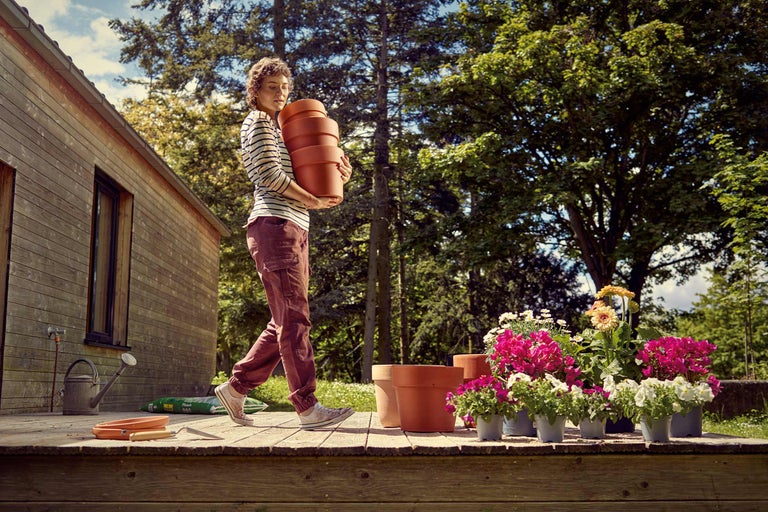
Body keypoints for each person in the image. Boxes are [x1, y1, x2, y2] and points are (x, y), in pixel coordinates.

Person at [215, 57, 354, 430]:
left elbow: (308, 173)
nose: (281, 94)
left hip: (293, 226)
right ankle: (307, 408)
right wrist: (310, 200)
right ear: (256, 90)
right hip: (274, 225)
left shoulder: (281, 131)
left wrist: (339, 169)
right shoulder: (259, 123)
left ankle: (236, 388)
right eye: (273, 87)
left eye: (285, 88)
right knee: (294, 319)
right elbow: (268, 175)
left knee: (284, 320)